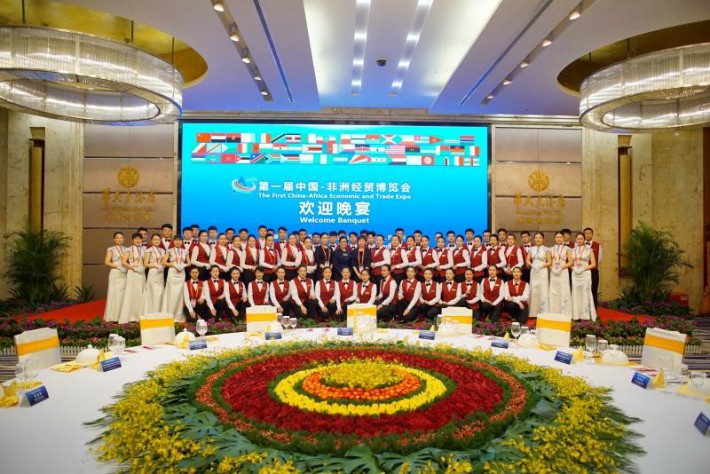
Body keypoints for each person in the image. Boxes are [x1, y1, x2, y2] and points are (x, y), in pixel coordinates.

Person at [161, 235, 190, 322]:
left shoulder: (185, 251)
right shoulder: (169, 250)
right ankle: (169, 314)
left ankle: (178, 315)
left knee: (180, 293)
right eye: (176, 240)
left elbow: (189, 263)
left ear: (182, 242)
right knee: (171, 293)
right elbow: (164, 262)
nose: (178, 242)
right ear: (173, 241)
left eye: (180, 240)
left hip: (181, 272)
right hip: (172, 272)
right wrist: (173, 264)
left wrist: (183, 265)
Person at [117, 233, 145, 324]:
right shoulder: (128, 249)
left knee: (140, 292)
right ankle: (131, 316)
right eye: (136, 239)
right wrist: (132, 267)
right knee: (131, 293)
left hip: (141, 273)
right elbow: (123, 262)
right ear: (133, 240)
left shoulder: (144, 249)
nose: (138, 240)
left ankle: (139, 315)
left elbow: (146, 261)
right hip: (132, 273)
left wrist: (143, 268)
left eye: (139, 239)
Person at [572, 232, 598, 321]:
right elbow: (570, 263)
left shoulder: (589, 250)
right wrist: (574, 268)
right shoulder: (572, 250)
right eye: (578, 239)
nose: (579, 240)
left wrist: (583, 268)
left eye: (581, 239)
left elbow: (593, 264)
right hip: (575, 274)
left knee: (585, 293)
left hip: (585, 273)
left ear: (584, 240)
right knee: (576, 293)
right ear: (575, 240)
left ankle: (586, 315)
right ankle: (576, 315)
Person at [548, 231, 573, 318]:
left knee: (564, 290)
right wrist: (552, 269)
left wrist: (561, 267)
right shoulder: (550, 249)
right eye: (557, 237)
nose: (558, 239)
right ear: (554, 238)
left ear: (563, 238)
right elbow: (549, 262)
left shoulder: (567, 249)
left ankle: (565, 313)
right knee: (554, 291)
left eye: (560, 237)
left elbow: (571, 262)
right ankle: (554, 312)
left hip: (563, 271)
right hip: (554, 272)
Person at [526, 232, 551, 319]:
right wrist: (532, 265)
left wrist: (542, 266)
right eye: (536, 238)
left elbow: (549, 262)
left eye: (540, 238)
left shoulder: (547, 249)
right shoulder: (531, 249)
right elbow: (527, 260)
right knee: (534, 290)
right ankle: (533, 313)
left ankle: (543, 312)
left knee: (543, 290)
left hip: (543, 270)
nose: (538, 239)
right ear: (534, 239)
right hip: (534, 270)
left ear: (543, 239)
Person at [103, 232, 127, 322]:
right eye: (117, 238)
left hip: (124, 273)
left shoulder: (126, 249)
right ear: (114, 239)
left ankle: (121, 315)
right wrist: (118, 267)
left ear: (123, 239)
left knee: (122, 294)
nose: (119, 239)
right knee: (114, 293)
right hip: (115, 272)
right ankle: (112, 316)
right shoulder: (111, 249)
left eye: (121, 238)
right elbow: (107, 262)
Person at [142, 233, 165, 315]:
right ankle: (151, 312)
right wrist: (155, 265)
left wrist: (162, 266)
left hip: (160, 273)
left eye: (158, 239)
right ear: (151, 240)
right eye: (155, 239)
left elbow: (164, 262)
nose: (156, 241)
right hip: (153, 272)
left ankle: (159, 311)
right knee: (153, 292)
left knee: (160, 292)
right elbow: (145, 264)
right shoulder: (148, 250)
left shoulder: (162, 250)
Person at [583, 227, 602, 308]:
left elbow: (599, 259)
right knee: (583, 290)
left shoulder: (597, 245)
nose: (588, 235)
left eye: (590, 233)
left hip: (593, 271)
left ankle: (594, 309)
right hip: (583, 271)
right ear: (583, 234)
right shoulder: (579, 245)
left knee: (593, 290)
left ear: (592, 234)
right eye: (586, 233)